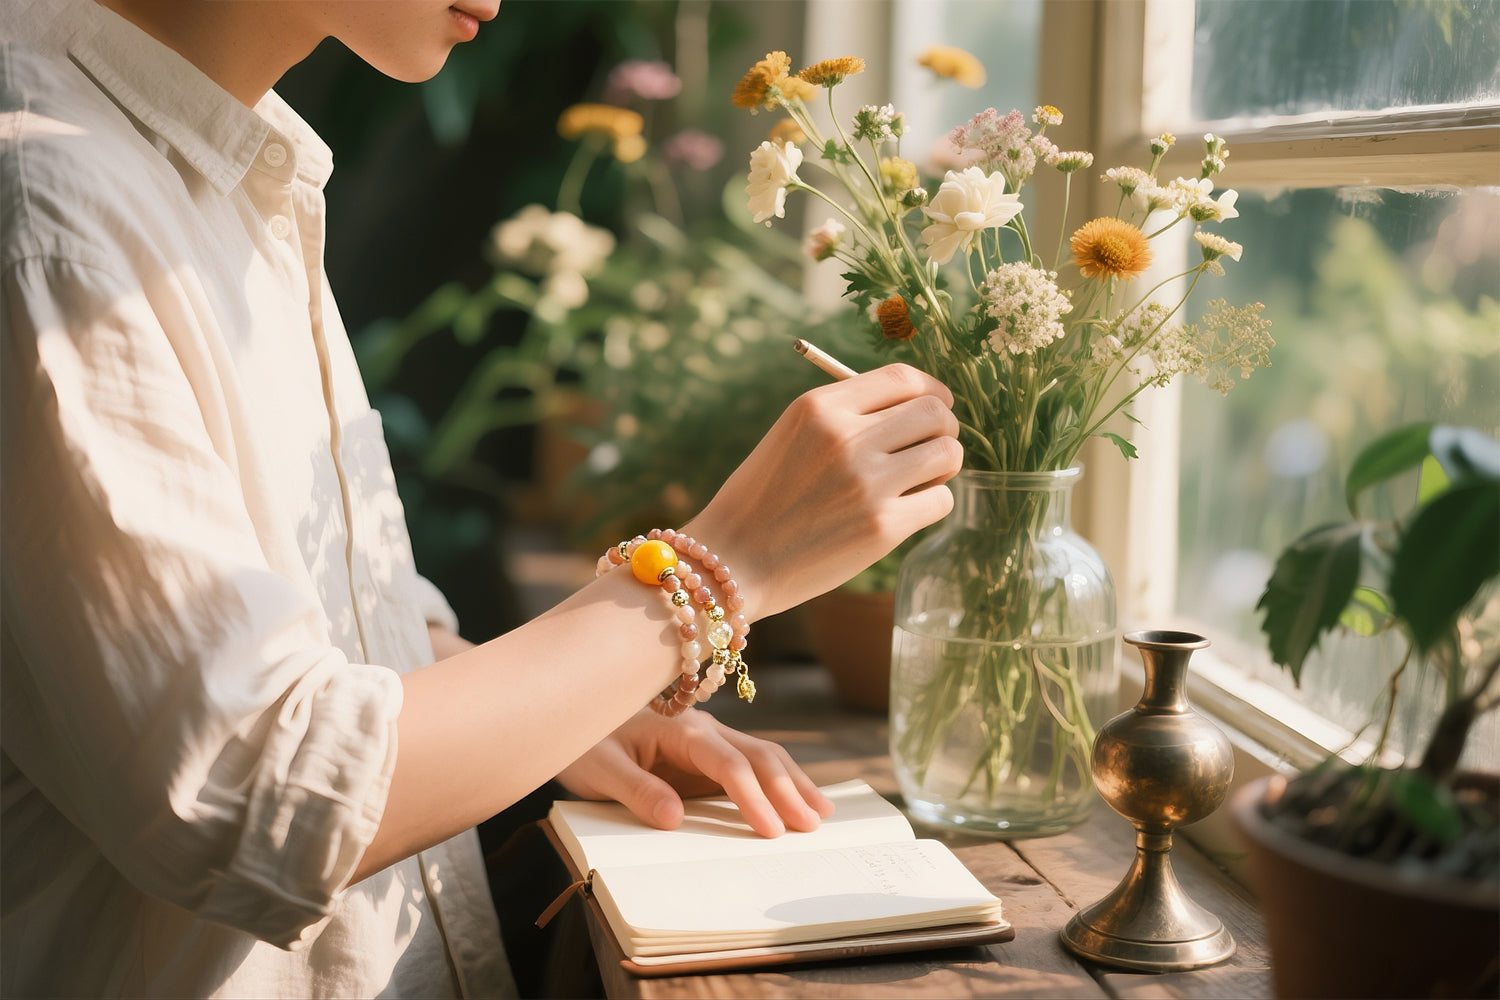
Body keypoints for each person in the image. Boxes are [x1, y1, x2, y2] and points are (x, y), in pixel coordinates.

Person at [0, 1, 963, 996]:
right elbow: (257, 795)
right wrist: (717, 574)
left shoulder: (224, 159)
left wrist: (552, 708)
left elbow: (330, 618)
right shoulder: (50, 209)